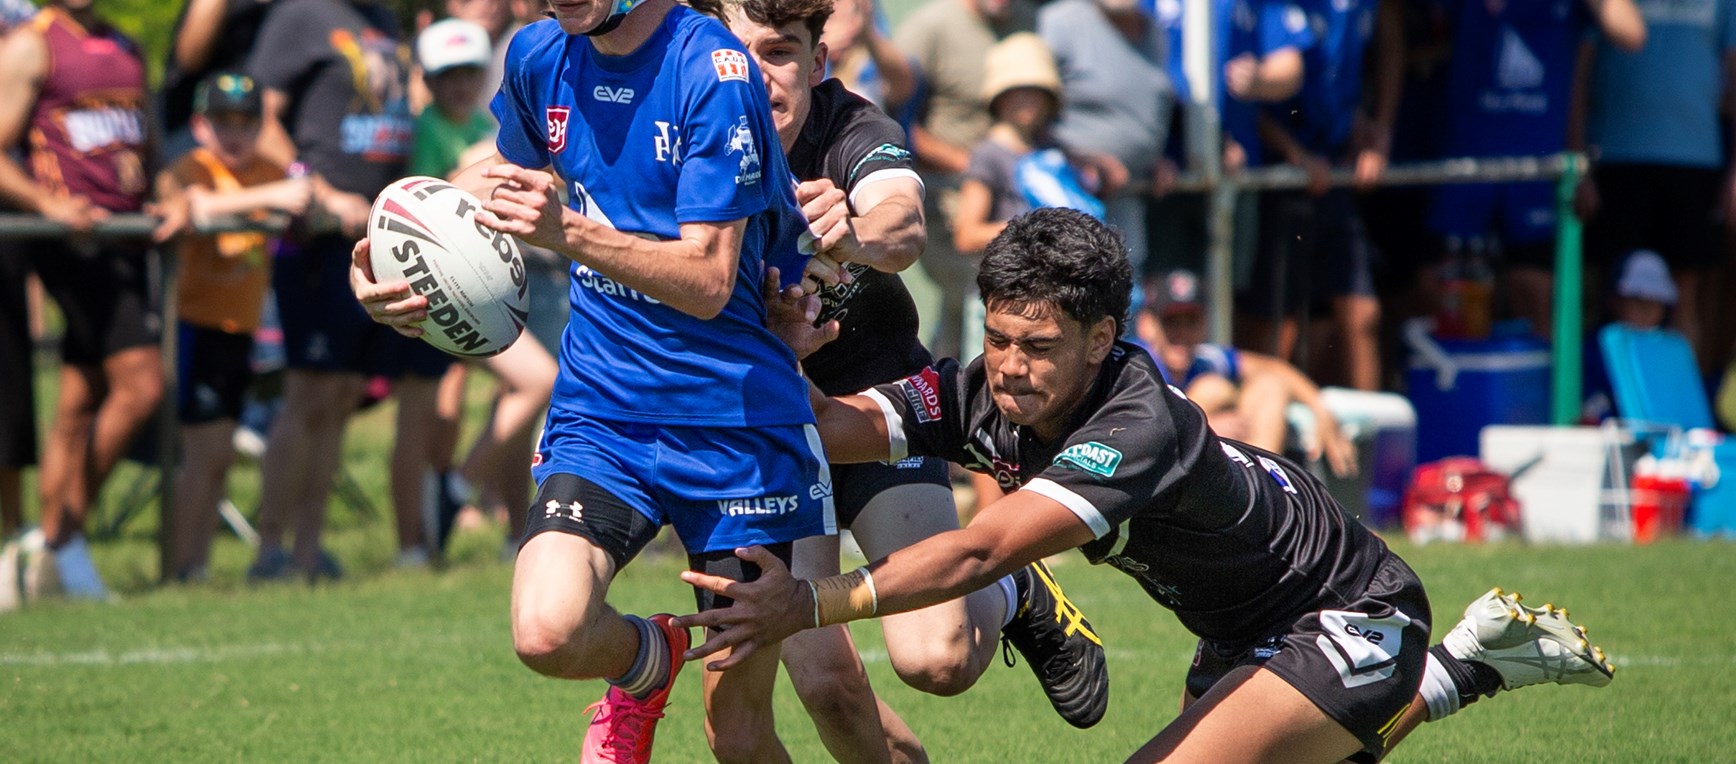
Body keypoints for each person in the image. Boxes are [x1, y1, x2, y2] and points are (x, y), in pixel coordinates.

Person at [678, 207, 1617, 763]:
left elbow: (980, 548)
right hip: (1240, 634)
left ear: (1103, 337)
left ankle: (1442, 666)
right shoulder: (983, 387)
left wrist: (804, 606)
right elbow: (839, 430)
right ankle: (1462, 669)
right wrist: (787, 357)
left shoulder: (1138, 423)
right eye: (999, 338)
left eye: (1038, 347)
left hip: (1348, 616)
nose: (1009, 368)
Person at [352, 0, 841, 759]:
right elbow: (497, 175)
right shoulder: (538, 54)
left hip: (734, 429)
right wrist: (393, 245)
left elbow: (709, 278)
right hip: (602, 413)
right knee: (546, 631)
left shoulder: (712, 71)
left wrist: (568, 232)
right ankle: (650, 661)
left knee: (738, 735)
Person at [714, 0, 1109, 759]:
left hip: (874, 401)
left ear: (818, 62)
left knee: (937, 660)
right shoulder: (687, 139)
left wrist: (852, 233)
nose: (761, 77)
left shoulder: (852, 126)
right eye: (741, 55)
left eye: (781, 52)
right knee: (826, 684)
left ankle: (1013, 588)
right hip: (765, 422)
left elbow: (905, 225)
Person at [243, 0, 415, 582]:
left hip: (377, 242)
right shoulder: (301, 14)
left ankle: (310, 552)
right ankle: (270, 550)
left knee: (341, 397)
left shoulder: (384, 21)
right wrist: (319, 192)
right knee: (308, 395)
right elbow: (260, 124)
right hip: (316, 241)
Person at [0, 0, 162, 600]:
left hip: (126, 240)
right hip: (72, 241)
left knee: (79, 398)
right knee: (143, 384)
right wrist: (48, 206)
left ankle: (55, 561)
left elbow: (149, 154)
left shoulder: (126, 48)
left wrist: (165, 194)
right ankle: (59, 537)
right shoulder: (32, 44)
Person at [152, 72, 312, 582]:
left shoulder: (266, 169)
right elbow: (192, 204)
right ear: (201, 125)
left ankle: (193, 565)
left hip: (238, 328)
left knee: (217, 458)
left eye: (247, 121)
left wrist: (294, 192)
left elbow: (302, 190)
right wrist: (268, 199)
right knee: (206, 455)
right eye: (223, 121)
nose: (235, 133)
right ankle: (184, 565)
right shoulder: (192, 166)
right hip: (194, 327)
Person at [1425, 0, 1644, 340]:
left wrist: (1579, 161)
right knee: (1451, 300)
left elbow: (1631, 34)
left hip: (1539, 171)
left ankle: (1543, 392)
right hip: (1466, 163)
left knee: (1536, 293)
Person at [1247, 0, 1403, 392]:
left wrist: (1373, 131)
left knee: (1360, 314)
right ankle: (1258, 447)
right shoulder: (1267, 10)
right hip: (1273, 177)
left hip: (1330, 174)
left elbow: (1386, 49)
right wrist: (1293, 154)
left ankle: (1363, 446)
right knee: (1277, 330)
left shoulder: (1357, 10)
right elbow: (1235, 88)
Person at [1574, 0, 1736, 372]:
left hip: (1695, 156)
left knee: (1684, 294)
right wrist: (1579, 161)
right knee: (1616, 292)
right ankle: (1612, 400)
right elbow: (1579, 69)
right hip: (1615, 153)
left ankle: (1682, 415)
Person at [893, 0, 1035, 360]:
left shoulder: (1027, 22)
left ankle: (945, 385)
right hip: (945, 198)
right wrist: (974, 163)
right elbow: (895, 121)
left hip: (1011, 191)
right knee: (986, 290)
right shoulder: (932, 28)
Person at [1136, 269, 1355, 477]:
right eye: (1171, 322)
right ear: (1148, 325)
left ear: (1204, 324)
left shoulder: (1205, 359)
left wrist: (1321, 410)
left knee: (1270, 387)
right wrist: (1204, 428)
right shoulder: (1136, 364)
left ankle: (1262, 492)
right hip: (1156, 474)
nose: (1182, 333)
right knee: (1213, 390)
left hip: (1210, 470)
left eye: (1191, 321)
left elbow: (1277, 370)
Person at [1037, 0, 1172, 280]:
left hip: (1128, 204)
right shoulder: (1059, 23)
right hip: (1064, 201)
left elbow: (1148, 108)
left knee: (1122, 302)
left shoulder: (1154, 32)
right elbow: (1026, 114)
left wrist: (1156, 158)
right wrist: (1085, 161)